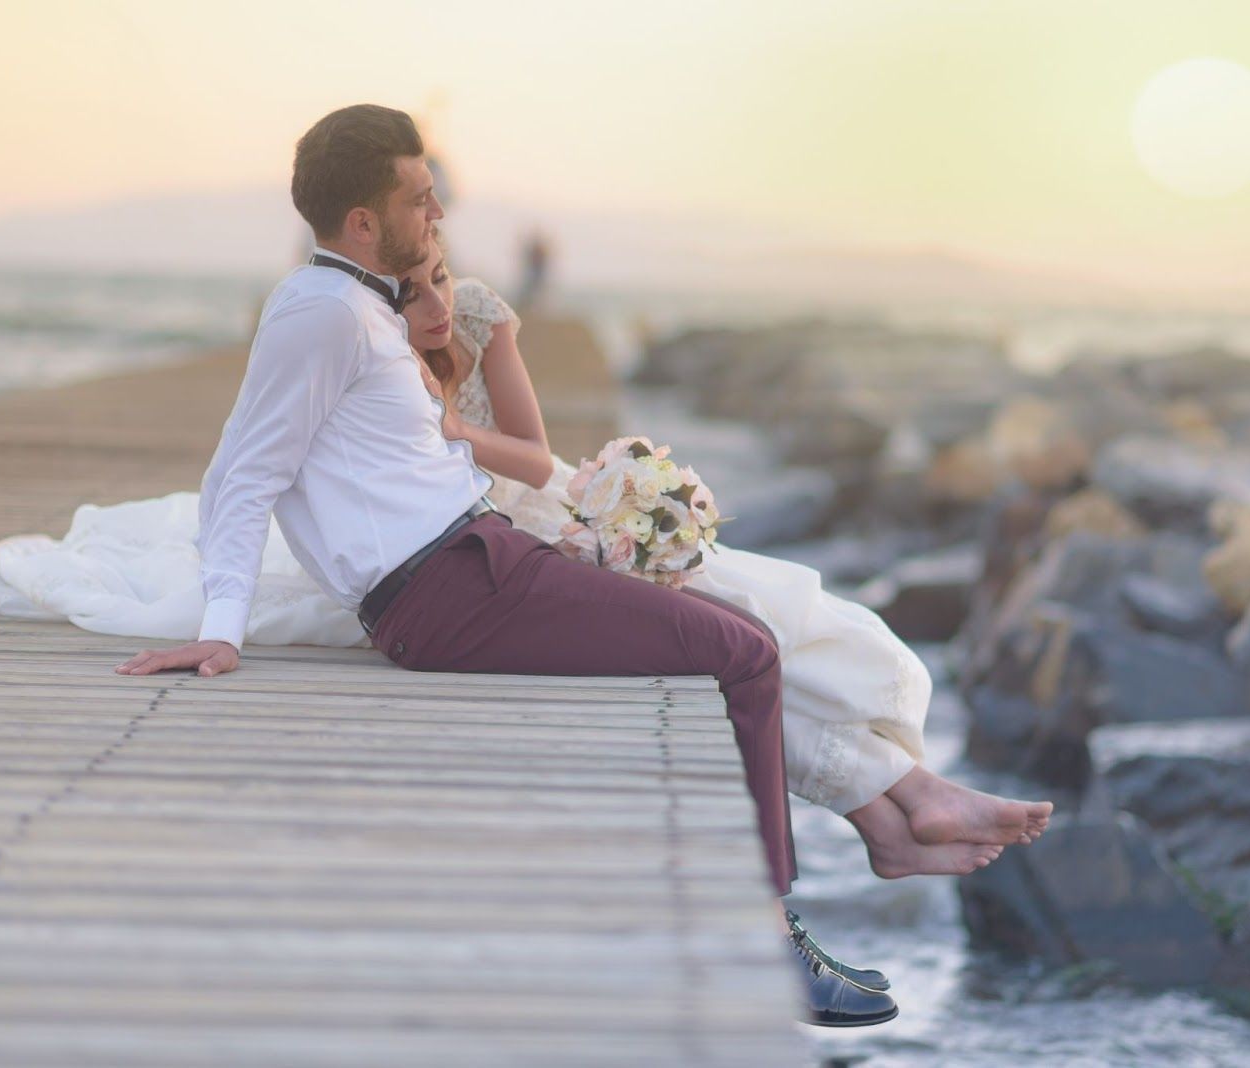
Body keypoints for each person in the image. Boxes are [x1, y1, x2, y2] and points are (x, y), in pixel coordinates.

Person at [112, 104, 897, 1027]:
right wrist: (220, 631)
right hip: (451, 589)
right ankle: (766, 942)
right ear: (363, 222)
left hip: (481, 559)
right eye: (419, 196)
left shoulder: (359, 306)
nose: (438, 210)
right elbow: (243, 473)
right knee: (747, 655)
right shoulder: (320, 316)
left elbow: (411, 465)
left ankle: (762, 919)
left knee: (741, 634)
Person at [400, 237, 1052, 886]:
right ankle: (895, 812)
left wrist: (465, 434)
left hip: (547, 511)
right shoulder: (364, 343)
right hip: (477, 548)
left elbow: (535, 457)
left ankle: (904, 804)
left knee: (753, 616)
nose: (436, 297)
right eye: (412, 288)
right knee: (729, 643)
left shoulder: (478, 310)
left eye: (441, 273)